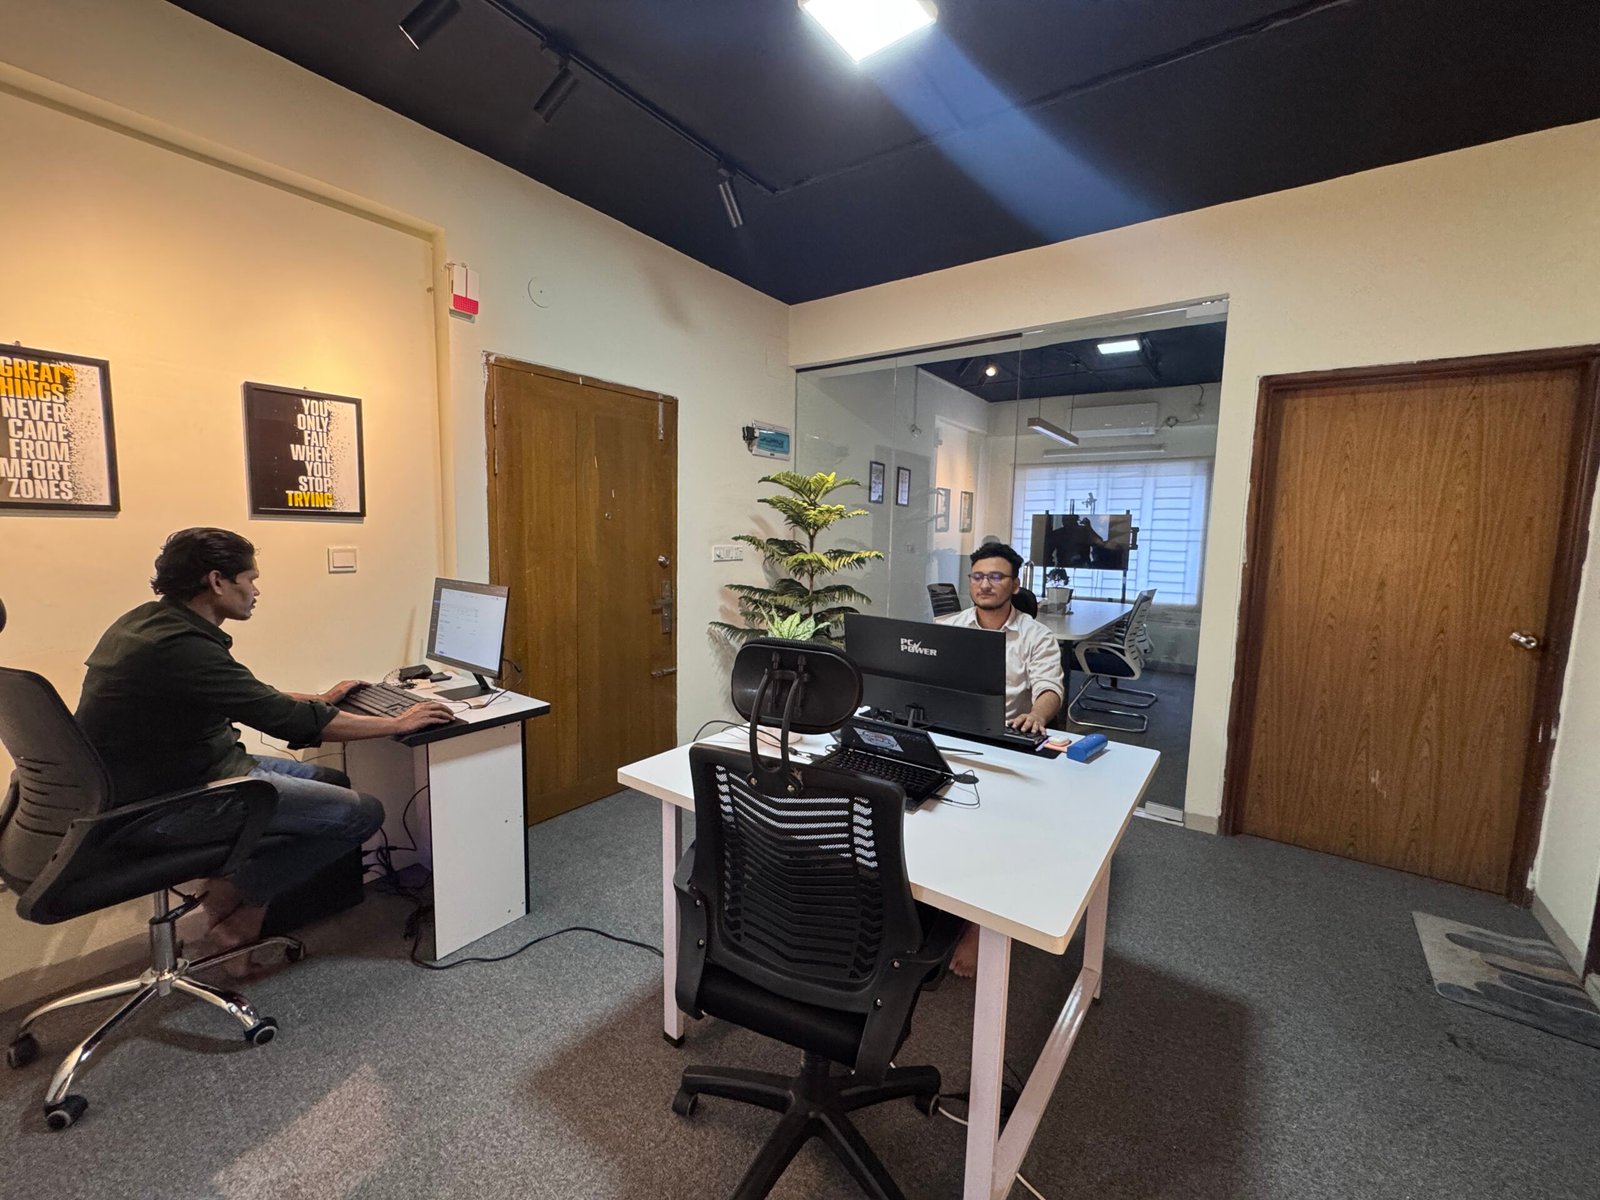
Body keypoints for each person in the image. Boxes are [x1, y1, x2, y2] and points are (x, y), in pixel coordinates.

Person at [76, 527, 455, 970]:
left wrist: (316, 700)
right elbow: (283, 720)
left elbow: (245, 695)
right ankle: (240, 913)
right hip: (172, 799)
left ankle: (228, 894)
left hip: (163, 776)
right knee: (363, 813)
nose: (256, 591)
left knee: (332, 782)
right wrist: (398, 722)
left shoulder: (148, 623)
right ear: (217, 581)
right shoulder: (180, 647)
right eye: (250, 579)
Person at [935, 540, 1065, 976]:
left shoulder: (1035, 635)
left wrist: (1038, 714)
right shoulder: (948, 627)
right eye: (978, 576)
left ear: (1015, 583)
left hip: (1003, 739)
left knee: (989, 830)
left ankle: (978, 925)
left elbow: (1050, 688)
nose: (985, 585)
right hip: (947, 731)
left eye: (995, 577)